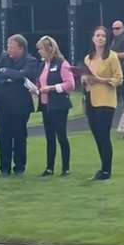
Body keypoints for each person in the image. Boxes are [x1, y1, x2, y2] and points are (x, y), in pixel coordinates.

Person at [0, 34, 40, 176]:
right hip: (2, 105)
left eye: (11, 48)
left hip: (20, 106)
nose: (8, 50)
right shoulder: (4, 57)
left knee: (19, 137)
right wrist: (11, 75)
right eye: (8, 47)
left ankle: (19, 167)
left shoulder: (30, 60)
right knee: (3, 137)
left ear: (21, 48)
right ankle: (4, 168)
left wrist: (5, 72)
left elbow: (24, 75)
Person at [82, 26, 123, 181]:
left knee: (104, 135)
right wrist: (84, 79)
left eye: (103, 36)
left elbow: (119, 79)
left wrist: (100, 80)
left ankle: (106, 170)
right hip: (91, 99)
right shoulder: (88, 58)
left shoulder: (112, 57)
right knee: (97, 135)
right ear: (93, 38)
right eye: (97, 35)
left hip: (106, 100)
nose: (100, 38)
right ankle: (103, 166)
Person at [35, 35, 76, 177]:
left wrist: (52, 88)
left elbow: (70, 84)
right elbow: (41, 83)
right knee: (49, 137)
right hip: (46, 105)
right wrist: (36, 89)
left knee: (61, 136)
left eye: (41, 49)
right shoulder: (42, 65)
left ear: (49, 49)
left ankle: (66, 168)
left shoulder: (61, 63)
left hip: (58, 105)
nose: (39, 52)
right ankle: (49, 168)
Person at [109, 20, 124, 104]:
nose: (115, 30)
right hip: (116, 68)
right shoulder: (114, 39)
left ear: (122, 28)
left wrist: (113, 55)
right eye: (113, 29)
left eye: (117, 28)